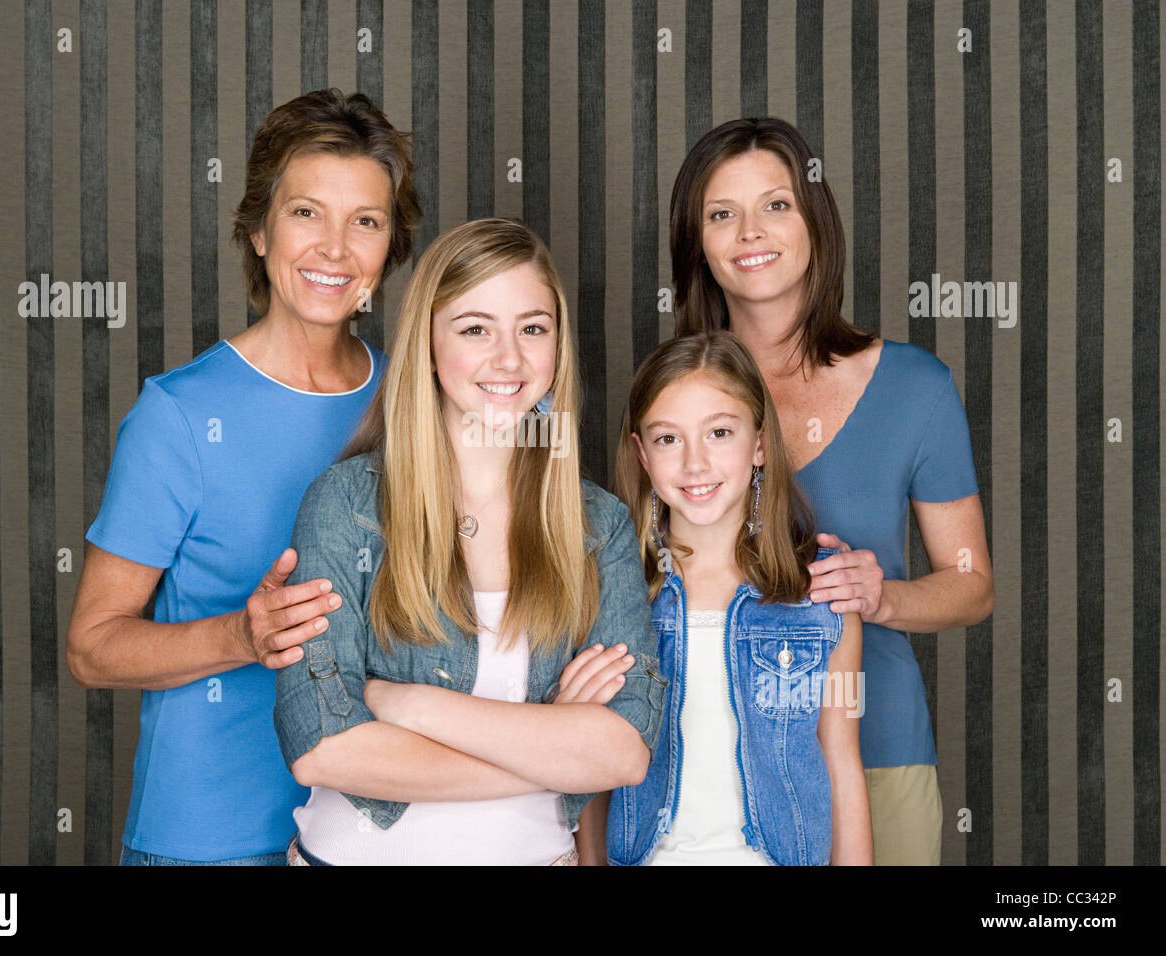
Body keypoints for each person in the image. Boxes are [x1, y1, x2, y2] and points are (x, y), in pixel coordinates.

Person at [65, 88, 421, 865]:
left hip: (379, 836)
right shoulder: (178, 415)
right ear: (258, 230)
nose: (335, 248)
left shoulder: (420, 404)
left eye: (365, 220)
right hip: (210, 837)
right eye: (305, 213)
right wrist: (242, 634)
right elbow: (92, 648)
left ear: (390, 246)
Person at [271, 218, 666, 865]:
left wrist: (407, 704)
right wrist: (556, 749)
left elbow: (624, 751)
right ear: (428, 343)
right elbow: (323, 748)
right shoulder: (343, 504)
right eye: (476, 328)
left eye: (532, 328)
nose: (508, 359)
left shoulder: (599, 525)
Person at [665, 116, 995, 864]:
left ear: (816, 222)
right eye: (722, 214)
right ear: (698, 245)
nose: (751, 232)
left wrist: (883, 599)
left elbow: (973, 588)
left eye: (776, 205)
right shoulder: (673, 395)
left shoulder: (916, 388)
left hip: (876, 750)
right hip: (704, 763)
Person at [590, 330, 871, 865]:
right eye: (668, 439)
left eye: (719, 432)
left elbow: (842, 764)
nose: (696, 464)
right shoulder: (608, 591)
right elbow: (583, 771)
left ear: (760, 442)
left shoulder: (824, 598)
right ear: (641, 454)